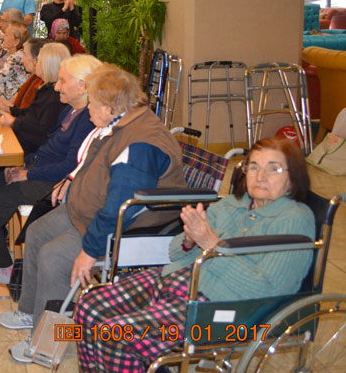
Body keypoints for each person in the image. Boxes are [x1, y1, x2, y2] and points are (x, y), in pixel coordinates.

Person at [0, 63, 187, 364]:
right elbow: (89, 169)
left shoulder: (139, 144)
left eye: (94, 103)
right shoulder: (117, 124)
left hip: (120, 229)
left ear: (112, 106)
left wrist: (90, 250)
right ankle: (30, 312)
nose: (88, 109)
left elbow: (118, 208)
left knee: (54, 257)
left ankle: (47, 342)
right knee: (35, 233)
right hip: (86, 213)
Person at [75, 137, 315, 372]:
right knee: (89, 307)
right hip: (179, 279)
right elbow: (174, 251)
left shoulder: (295, 220)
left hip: (224, 309)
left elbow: (266, 290)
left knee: (116, 335)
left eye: (273, 169)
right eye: (253, 167)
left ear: (292, 178)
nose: (260, 176)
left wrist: (212, 244)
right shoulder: (233, 203)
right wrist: (190, 240)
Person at [0, 54, 101, 281]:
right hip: (37, 168)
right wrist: (24, 162)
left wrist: (27, 173)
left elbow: (69, 167)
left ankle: (2, 265)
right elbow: (48, 146)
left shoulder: (87, 119)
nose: (57, 87)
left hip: (50, 183)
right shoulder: (70, 110)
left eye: (63, 82)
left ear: (82, 86)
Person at [0, 41, 70, 156]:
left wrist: (14, 122)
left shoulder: (55, 97)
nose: (35, 63)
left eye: (38, 60)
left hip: (26, 152)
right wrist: (10, 110)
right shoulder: (45, 89)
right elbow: (30, 114)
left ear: (47, 65)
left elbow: (43, 135)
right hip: (20, 143)